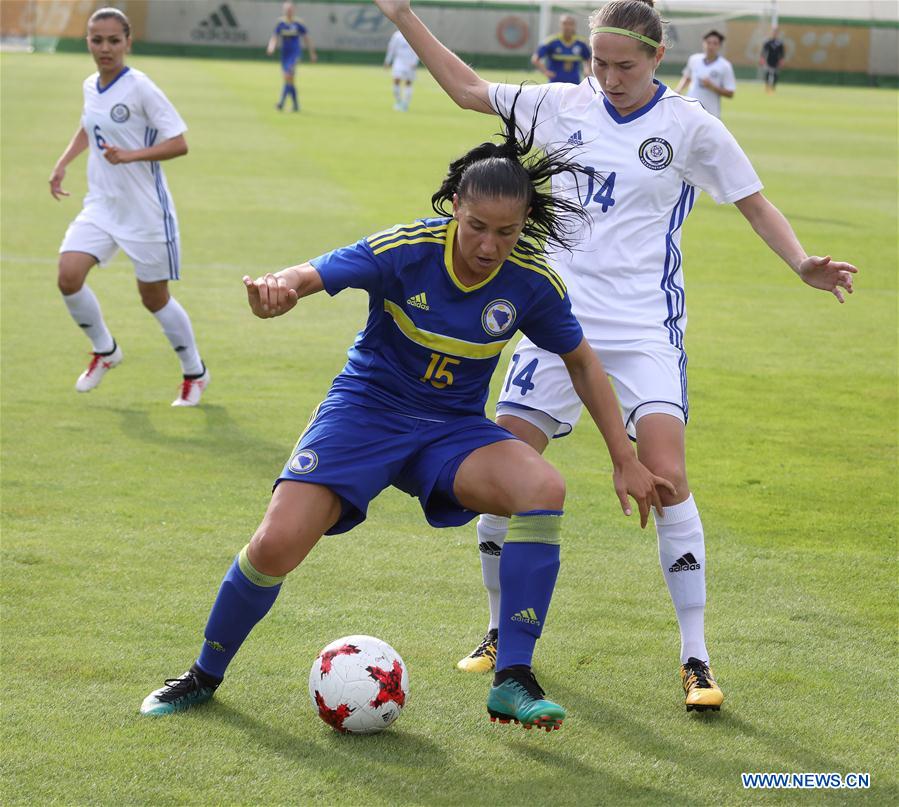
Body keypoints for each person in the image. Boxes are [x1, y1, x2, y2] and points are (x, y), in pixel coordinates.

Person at [374, 0, 857, 712]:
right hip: (554, 323)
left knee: (665, 474)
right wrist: (403, 14)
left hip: (640, 328)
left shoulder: (689, 126)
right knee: (503, 464)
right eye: (598, 62)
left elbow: (752, 201)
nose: (607, 77)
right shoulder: (562, 104)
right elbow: (469, 90)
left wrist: (798, 263)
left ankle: (695, 656)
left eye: (623, 65)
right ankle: (498, 632)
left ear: (656, 57)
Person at [139, 102, 674, 731]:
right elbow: (317, 271)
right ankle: (203, 674)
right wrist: (279, 290)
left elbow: (583, 363)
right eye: (477, 226)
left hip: (450, 429)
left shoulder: (531, 280)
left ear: (524, 222)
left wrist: (624, 457)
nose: (489, 245)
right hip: (367, 410)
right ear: (455, 208)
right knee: (277, 544)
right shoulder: (408, 249)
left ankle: (513, 677)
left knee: (542, 486)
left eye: (506, 232)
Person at [49, 7, 209, 406]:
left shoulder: (141, 87)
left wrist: (133, 155)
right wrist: (63, 163)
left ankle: (195, 372)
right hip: (102, 206)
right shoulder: (91, 84)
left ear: (127, 42)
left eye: (113, 40)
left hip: (146, 212)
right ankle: (105, 350)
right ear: (87, 41)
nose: (105, 48)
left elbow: (180, 143)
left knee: (153, 298)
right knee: (69, 275)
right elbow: (90, 126)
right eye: (96, 40)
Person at [266, 1, 317, 112]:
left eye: (290, 9)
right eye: (286, 9)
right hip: (285, 54)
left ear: (293, 10)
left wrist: (312, 53)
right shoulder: (280, 23)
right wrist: (271, 47)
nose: (288, 11)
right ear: (284, 10)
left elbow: (306, 38)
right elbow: (274, 37)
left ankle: (281, 103)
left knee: (288, 76)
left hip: (295, 54)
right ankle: (296, 106)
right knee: (290, 80)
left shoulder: (298, 23)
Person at [674, 29, 735, 119]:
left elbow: (730, 93)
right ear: (703, 43)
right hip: (690, 109)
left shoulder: (725, 66)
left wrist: (712, 86)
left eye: (715, 43)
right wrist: (678, 89)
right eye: (708, 42)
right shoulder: (694, 59)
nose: (711, 46)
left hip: (710, 113)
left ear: (720, 46)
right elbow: (687, 77)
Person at [531, 14, 591, 84]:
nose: (567, 27)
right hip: (555, 84)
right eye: (564, 24)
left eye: (570, 24)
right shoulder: (551, 41)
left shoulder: (581, 42)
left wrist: (587, 70)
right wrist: (546, 72)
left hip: (574, 83)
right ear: (560, 25)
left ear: (574, 26)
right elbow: (535, 59)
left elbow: (588, 59)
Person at [385, 29, 419, 111]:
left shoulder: (413, 34)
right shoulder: (397, 36)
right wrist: (388, 61)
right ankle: (398, 101)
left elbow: (417, 48)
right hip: (399, 62)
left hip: (410, 63)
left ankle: (405, 104)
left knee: (408, 83)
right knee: (396, 80)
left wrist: (415, 61)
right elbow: (391, 49)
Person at [760, 27, 786, 94]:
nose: (774, 33)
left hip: (776, 61)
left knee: (775, 75)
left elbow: (782, 53)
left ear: (777, 33)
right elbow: (764, 51)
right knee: (767, 74)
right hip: (768, 60)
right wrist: (762, 59)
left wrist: (781, 61)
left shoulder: (780, 43)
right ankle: (767, 86)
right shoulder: (768, 42)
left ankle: (773, 87)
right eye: (773, 32)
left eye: (775, 32)